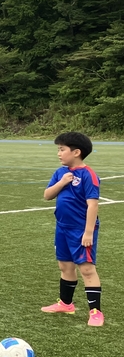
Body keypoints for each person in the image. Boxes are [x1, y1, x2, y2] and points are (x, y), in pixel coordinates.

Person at [40, 131, 103, 326]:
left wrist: (88, 232)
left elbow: (92, 205)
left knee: (86, 268)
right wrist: (62, 182)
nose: (58, 153)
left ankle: (95, 312)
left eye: (62, 149)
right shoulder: (60, 173)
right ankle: (66, 304)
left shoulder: (88, 175)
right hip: (62, 227)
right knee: (65, 266)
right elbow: (47, 195)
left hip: (80, 230)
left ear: (76, 152)